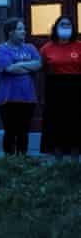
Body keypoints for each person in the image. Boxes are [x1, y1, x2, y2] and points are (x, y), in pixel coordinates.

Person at [0, 17, 42, 156]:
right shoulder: (1, 49)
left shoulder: (30, 48)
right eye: (20, 29)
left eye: (24, 29)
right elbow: (8, 69)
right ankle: (10, 163)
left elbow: (38, 65)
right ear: (10, 32)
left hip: (27, 97)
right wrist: (28, 66)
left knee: (23, 132)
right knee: (10, 131)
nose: (24, 32)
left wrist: (19, 65)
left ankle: (22, 162)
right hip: (8, 98)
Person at [39, 16, 81, 161]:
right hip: (54, 89)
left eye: (68, 24)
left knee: (75, 122)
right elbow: (42, 69)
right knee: (56, 122)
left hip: (76, 89)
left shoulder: (79, 46)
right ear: (56, 27)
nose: (65, 26)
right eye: (62, 24)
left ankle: (75, 159)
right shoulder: (46, 48)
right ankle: (58, 160)